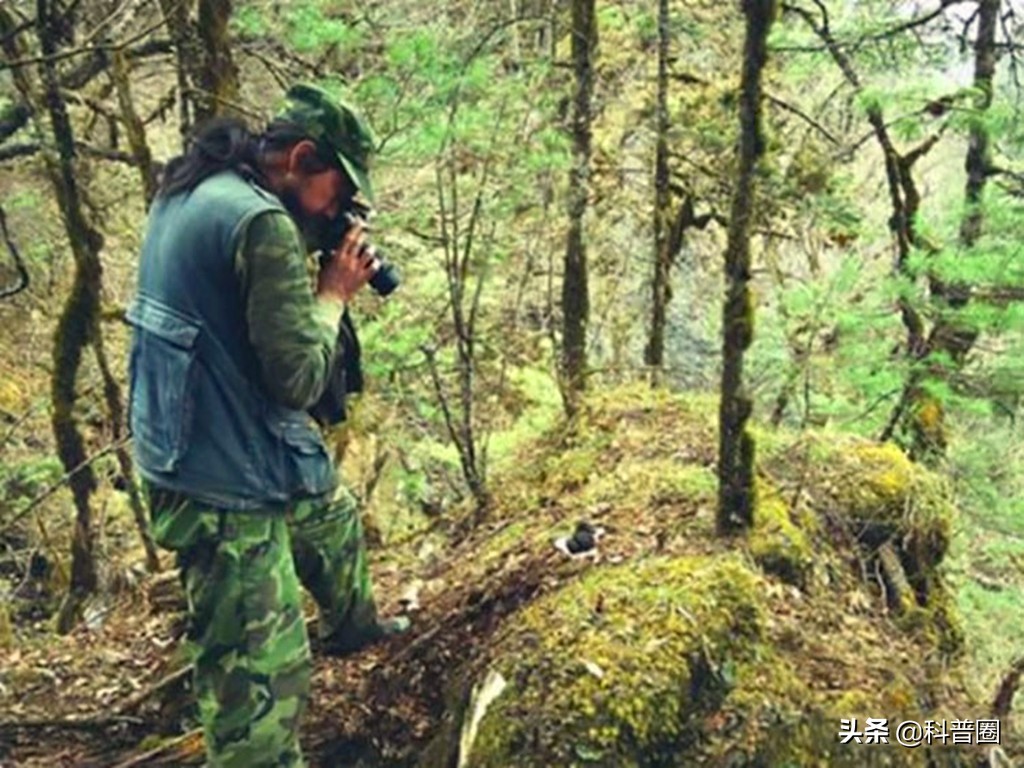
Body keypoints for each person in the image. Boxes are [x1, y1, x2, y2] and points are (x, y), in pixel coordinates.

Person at [126, 83, 409, 767]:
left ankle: (355, 627)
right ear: (303, 157)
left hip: (202, 439)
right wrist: (332, 295)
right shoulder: (261, 225)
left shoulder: (195, 185)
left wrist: (314, 236)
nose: (339, 210)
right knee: (261, 687)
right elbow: (298, 379)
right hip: (222, 484)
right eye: (337, 191)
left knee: (330, 518)